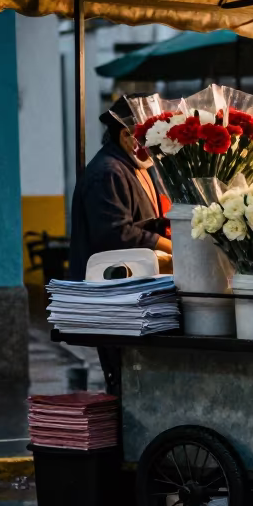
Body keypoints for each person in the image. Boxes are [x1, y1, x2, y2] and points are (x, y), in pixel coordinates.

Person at [69, 97, 171, 392]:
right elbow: (116, 234)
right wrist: (169, 247)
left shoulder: (136, 168)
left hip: (136, 293)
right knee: (123, 380)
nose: (155, 145)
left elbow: (146, 222)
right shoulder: (108, 172)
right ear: (127, 135)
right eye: (150, 136)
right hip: (113, 297)